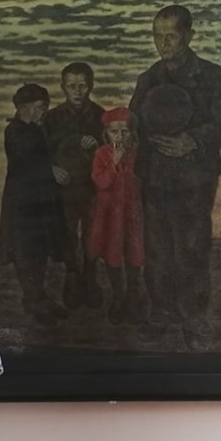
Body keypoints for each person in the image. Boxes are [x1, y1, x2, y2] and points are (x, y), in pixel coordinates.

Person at [128, 4, 221, 345]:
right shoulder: (149, 78)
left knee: (192, 247)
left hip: (193, 179)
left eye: (171, 36)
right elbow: (133, 122)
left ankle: (194, 319)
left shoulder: (210, 75)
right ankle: (162, 312)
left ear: (189, 35)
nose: (164, 44)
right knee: (157, 248)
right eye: (157, 36)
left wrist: (191, 140)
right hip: (155, 176)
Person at [0, 82, 69, 323]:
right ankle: (32, 301)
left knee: (39, 253)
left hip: (40, 203)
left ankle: (40, 297)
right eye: (39, 107)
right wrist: (51, 171)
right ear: (23, 108)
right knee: (26, 254)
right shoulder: (16, 132)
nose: (43, 112)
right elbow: (25, 163)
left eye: (45, 108)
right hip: (23, 205)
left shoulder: (36, 129)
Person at [44, 62, 105, 310]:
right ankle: (72, 277)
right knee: (67, 234)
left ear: (90, 86)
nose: (77, 92)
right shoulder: (53, 118)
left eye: (82, 86)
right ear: (63, 88)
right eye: (72, 86)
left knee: (92, 234)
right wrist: (52, 169)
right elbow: (42, 152)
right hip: (65, 189)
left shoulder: (100, 116)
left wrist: (97, 146)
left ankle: (90, 277)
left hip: (92, 189)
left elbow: (110, 149)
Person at [89, 108, 147, 324]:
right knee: (113, 253)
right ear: (106, 133)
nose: (120, 136)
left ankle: (132, 295)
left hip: (133, 214)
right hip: (110, 215)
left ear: (132, 133)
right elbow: (101, 181)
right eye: (115, 131)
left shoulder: (139, 154)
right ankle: (118, 296)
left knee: (135, 252)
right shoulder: (102, 154)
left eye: (125, 131)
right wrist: (114, 162)